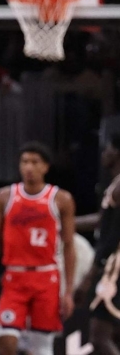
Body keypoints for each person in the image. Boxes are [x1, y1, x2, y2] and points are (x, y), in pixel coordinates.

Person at [0, 141, 76, 355]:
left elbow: (69, 246)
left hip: (46, 277)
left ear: (46, 167)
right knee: (5, 340)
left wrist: (68, 290)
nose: (29, 167)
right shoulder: (5, 196)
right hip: (15, 277)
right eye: (24, 162)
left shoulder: (61, 199)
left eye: (35, 162)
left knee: (41, 347)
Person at [77, 134, 120, 355]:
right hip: (112, 261)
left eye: (107, 149)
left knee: (99, 335)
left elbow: (111, 234)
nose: (104, 154)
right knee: (108, 333)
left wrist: (95, 268)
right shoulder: (114, 183)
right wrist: (63, 224)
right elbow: (102, 221)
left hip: (114, 265)